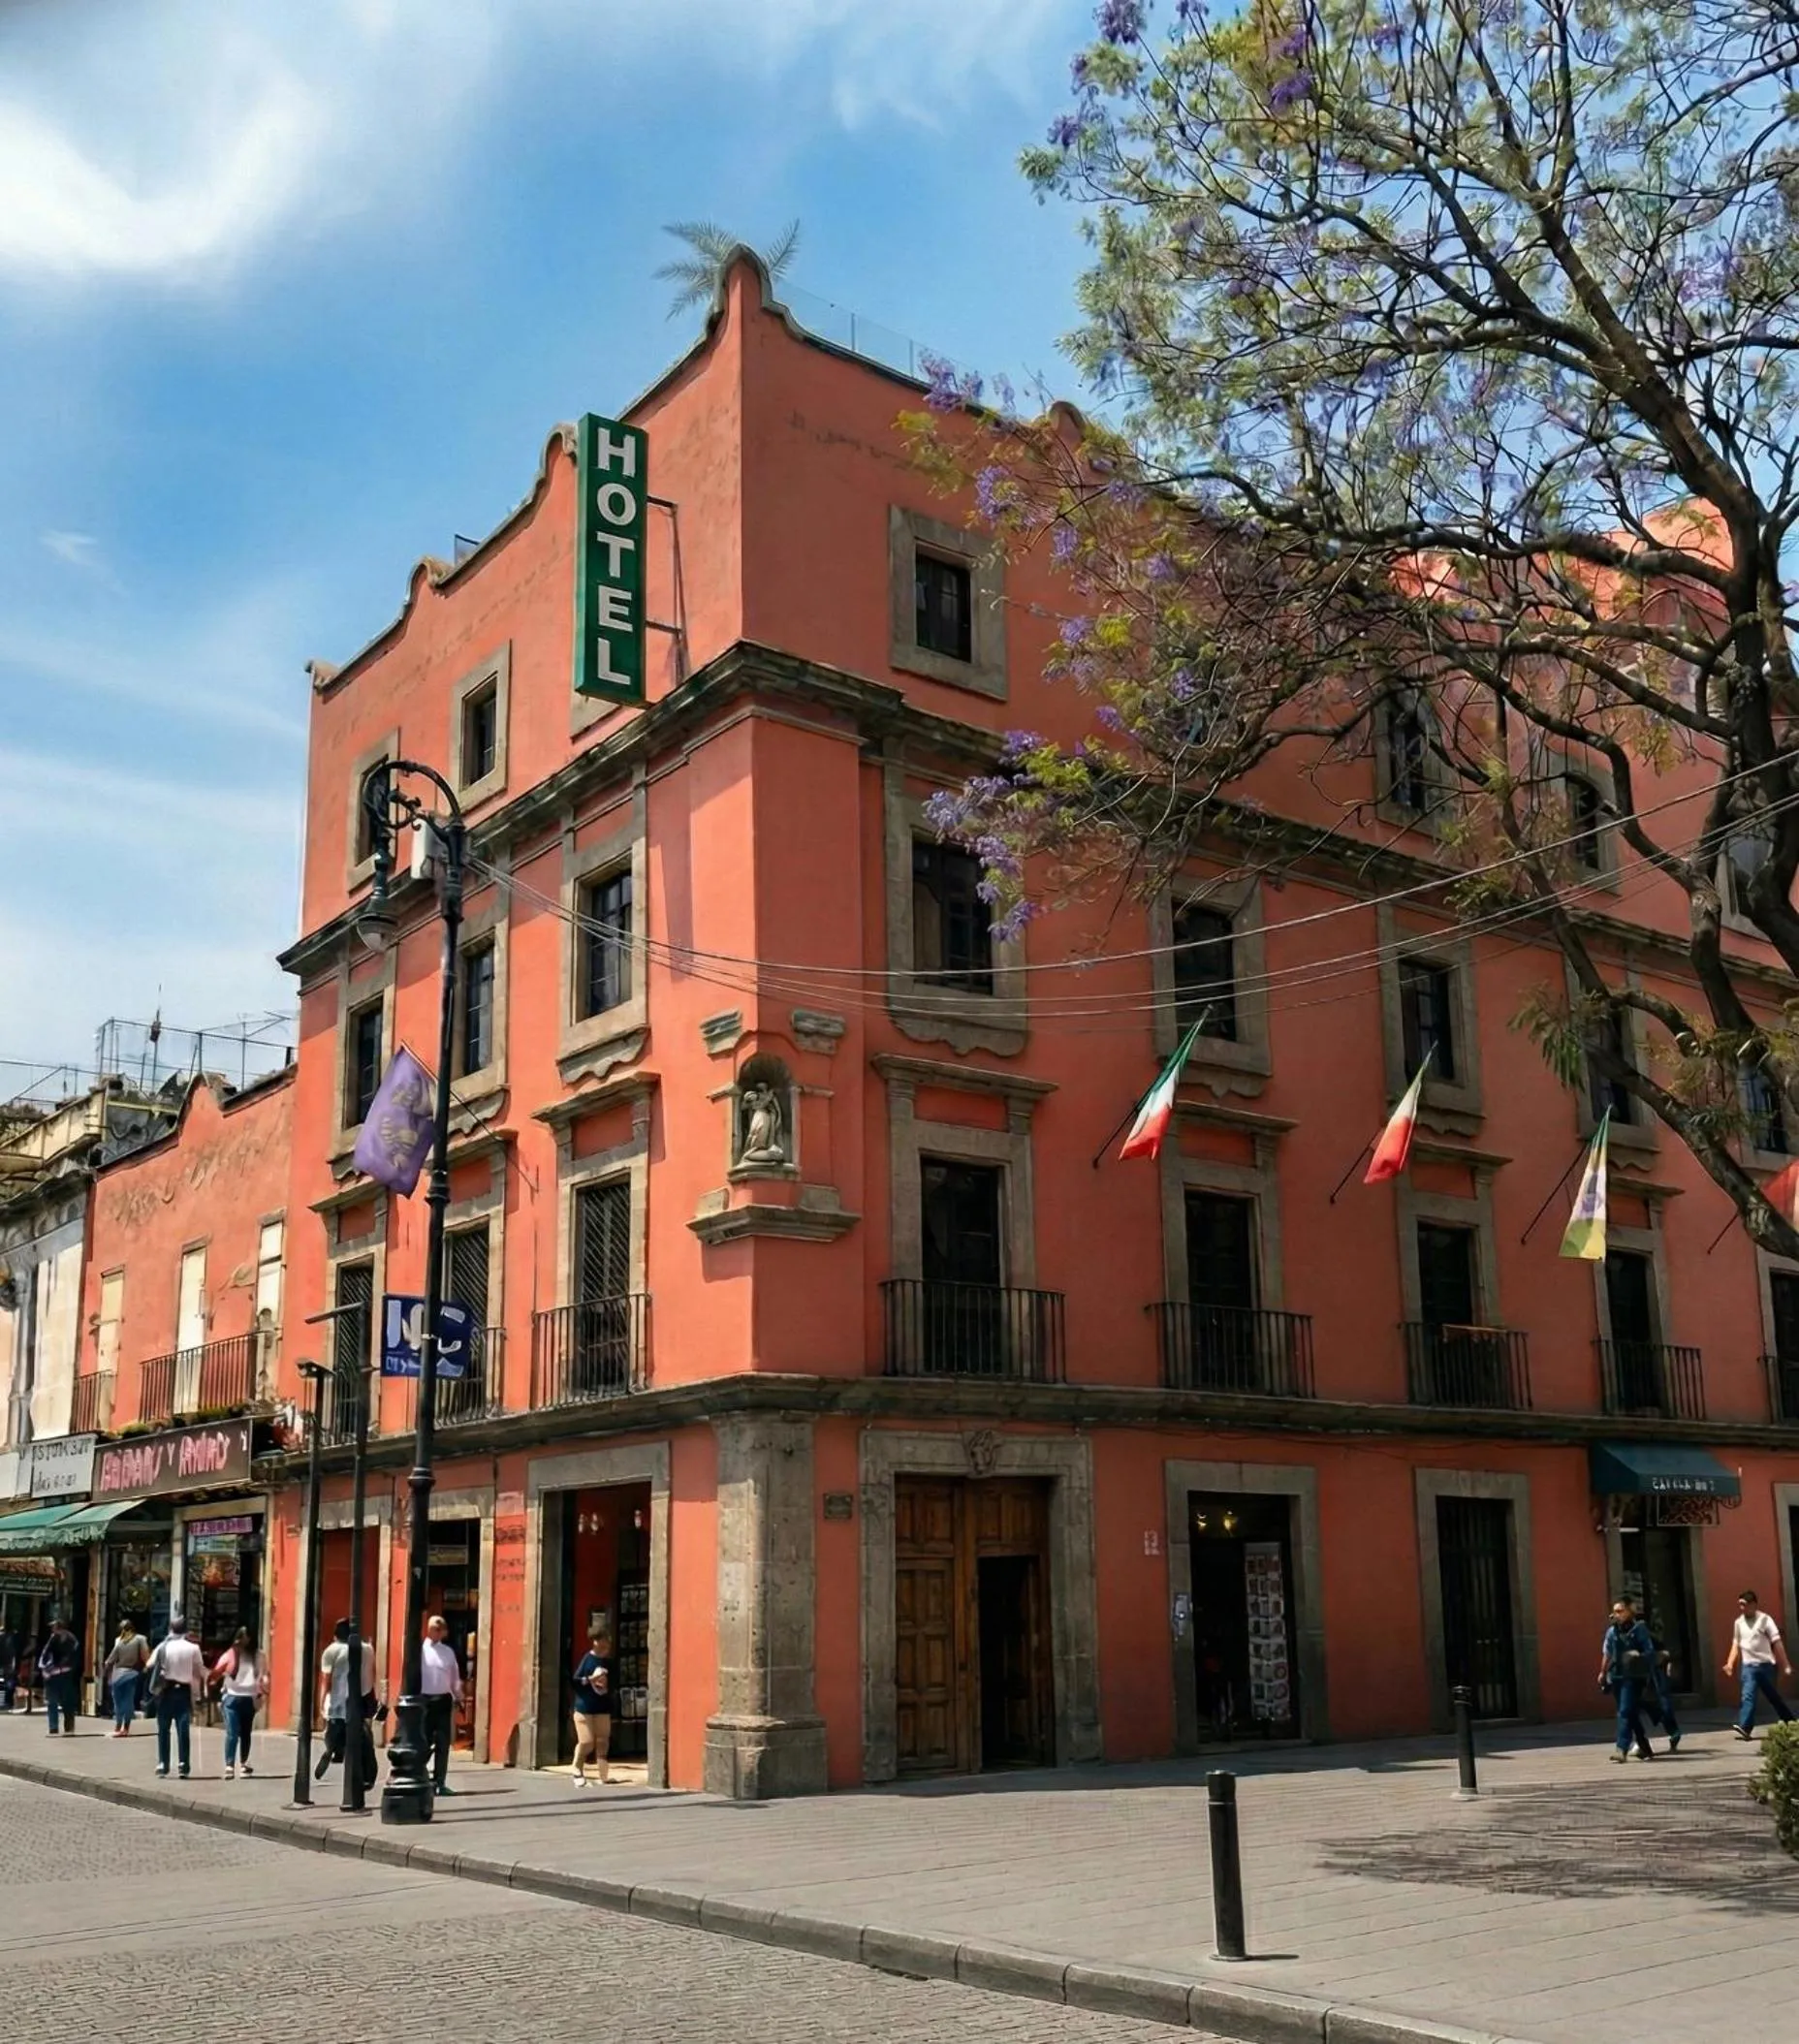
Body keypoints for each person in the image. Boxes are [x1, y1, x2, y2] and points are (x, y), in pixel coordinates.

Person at [1724, 1588, 1796, 1740]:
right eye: (1740, 1605)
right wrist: (1730, 1663)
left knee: (1773, 1697)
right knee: (1747, 1696)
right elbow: (1735, 1645)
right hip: (1748, 1667)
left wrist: (1786, 1665)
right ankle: (1745, 1727)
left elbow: (1777, 1643)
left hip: (1766, 1666)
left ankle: (1790, 1722)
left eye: (1744, 1604)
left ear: (1753, 1605)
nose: (1741, 1608)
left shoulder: (1765, 1620)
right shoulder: (1738, 1623)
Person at [316, 1619, 377, 1786]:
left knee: (335, 1731)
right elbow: (373, 1673)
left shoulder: (331, 1650)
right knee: (363, 1740)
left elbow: (325, 1681)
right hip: (363, 1699)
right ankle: (366, 1776)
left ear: (336, 1635)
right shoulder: (368, 1648)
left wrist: (321, 1704)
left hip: (339, 1701)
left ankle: (333, 1750)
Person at [147, 1614, 207, 1778]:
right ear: (185, 1630)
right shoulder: (193, 1648)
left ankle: (163, 1764)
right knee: (183, 1730)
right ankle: (183, 1765)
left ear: (170, 1629)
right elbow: (200, 1671)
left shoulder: (163, 1646)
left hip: (166, 1691)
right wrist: (201, 1691)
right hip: (183, 1692)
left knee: (164, 1729)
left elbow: (149, 1664)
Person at [1598, 1598, 1657, 1762]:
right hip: (1616, 1675)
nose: (1616, 1615)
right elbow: (1607, 1652)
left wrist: (1638, 1655)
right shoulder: (1612, 1631)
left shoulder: (1639, 1629)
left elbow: (1650, 1652)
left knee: (1624, 1711)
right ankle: (1644, 1747)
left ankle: (1621, 1748)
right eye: (1615, 1611)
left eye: (1620, 1611)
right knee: (1629, 1713)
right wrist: (1602, 1672)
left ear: (1629, 1612)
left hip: (1634, 1677)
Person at [210, 1628, 267, 1779]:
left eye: (244, 1638)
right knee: (233, 1732)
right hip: (232, 1697)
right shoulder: (231, 1654)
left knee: (246, 1733)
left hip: (249, 1697)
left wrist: (262, 1690)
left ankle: (243, 1764)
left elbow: (263, 1675)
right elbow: (217, 1670)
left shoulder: (258, 1656)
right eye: (240, 1638)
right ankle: (229, 1765)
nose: (241, 1642)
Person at [419, 1615, 463, 1797]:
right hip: (425, 1700)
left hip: (443, 1700)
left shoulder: (448, 1652)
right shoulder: (419, 1651)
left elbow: (454, 1677)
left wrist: (459, 1697)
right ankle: (421, 1776)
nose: (436, 1631)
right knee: (424, 1741)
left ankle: (440, 1781)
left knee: (443, 1743)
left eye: (439, 1628)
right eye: (433, 1628)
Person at [570, 1627, 615, 1786]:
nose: (603, 1644)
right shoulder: (587, 1659)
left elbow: (614, 1681)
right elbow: (575, 1681)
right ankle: (576, 1768)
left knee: (603, 1741)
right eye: (599, 1640)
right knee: (587, 1741)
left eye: (604, 1640)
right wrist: (591, 1679)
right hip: (584, 1708)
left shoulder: (608, 1661)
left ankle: (604, 1775)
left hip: (602, 1707)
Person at [102, 1619, 149, 1738]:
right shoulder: (140, 1639)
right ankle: (125, 1727)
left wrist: (107, 1675)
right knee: (128, 1700)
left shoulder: (119, 1641)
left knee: (118, 1702)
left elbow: (109, 1661)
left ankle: (118, 1726)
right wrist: (147, 1667)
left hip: (117, 1675)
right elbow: (145, 1655)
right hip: (131, 1673)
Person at [37, 1618, 80, 1737]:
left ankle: (69, 1728)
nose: (52, 1630)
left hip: (66, 1675)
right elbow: (44, 1654)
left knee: (67, 1702)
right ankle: (53, 1728)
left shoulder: (72, 1641)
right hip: (53, 1675)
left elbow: (74, 1662)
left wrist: (60, 1670)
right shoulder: (53, 1638)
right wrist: (43, 1668)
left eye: (54, 1628)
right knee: (52, 1702)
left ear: (61, 1629)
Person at [0, 1627, 16, 1713]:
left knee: (8, 1682)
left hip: (6, 1662)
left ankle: (8, 1702)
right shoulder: (12, 1637)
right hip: (8, 1662)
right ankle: (9, 1702)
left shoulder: (4, 1636)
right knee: (9, 1683)